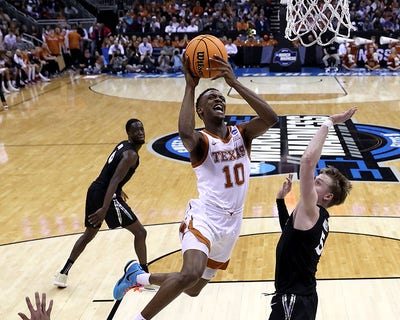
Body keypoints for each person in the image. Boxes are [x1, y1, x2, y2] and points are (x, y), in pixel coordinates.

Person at [113, 54, 278, 320]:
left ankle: (138, 276)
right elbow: (185, 133)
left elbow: (271, 118)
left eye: (220, 97)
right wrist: (190, 87)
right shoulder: (201, 141)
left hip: (232, 224)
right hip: (205, 218)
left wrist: (233, 83)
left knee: (192, 289)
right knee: (189, 273)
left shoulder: (242, 133)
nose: (218, 99)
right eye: (210, 98)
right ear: (200, 110)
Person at [269, 107, 356, 320]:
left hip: (294, 299)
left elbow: (307, 161)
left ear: (327, 197)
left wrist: (329, 122)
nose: (310, 183)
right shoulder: (317, 217)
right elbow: (289, 233)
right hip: (299, 297)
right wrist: (281, 201)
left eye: (318, 183)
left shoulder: (312, 210)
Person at [53, 119, 148, 288]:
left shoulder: (123, 145)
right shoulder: (131, 155)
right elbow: (114, 179)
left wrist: (119, 188)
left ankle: (63, 273)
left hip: (95, 190)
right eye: (136, 130)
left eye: (141, 129)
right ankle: (145, 276)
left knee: (89, 234)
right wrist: (105, 208)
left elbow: (110, 173)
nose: (140, 132)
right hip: (107, 197)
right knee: (140, 233)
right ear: (129, 134)